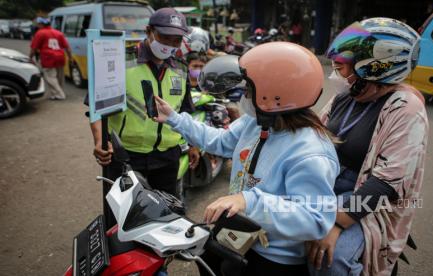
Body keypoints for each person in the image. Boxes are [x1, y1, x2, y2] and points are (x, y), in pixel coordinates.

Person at [152, 42, 339, 275]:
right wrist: (175, 119)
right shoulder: (257, 122)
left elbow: (315, 219)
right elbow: (221, 142)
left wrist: (249, 201)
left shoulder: (310, 152)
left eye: (249, 90)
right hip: (238, 235)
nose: (244, 96)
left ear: (276, 93)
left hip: (274, 258)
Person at [307, 18, 429, 275]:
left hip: (365, 202)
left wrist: (337, 225)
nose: (336, 75)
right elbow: (311, 135)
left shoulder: (406, 109)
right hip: (324, 186)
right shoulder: (347, 96)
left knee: (328, 259)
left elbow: (386, 183)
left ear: (373, 68)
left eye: (342, 68)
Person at [91, 8, 198, 200]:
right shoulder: (119, 61)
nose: (170, 45)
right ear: (149, 31)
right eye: (165, 37)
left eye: (177, 40)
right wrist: (100, 141)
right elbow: (96, 109)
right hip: (126, 157)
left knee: (166, 212)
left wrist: (193, 144)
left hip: (167, 157)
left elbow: (185, 111)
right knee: (123, 215)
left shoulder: (181, 68)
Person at [29, 17, 72, 100]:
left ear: (41, 24)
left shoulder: (40, 33)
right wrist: (70, 58)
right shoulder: (58, 33)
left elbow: (34, 48)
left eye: (38, 24)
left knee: (50, 77)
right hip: (60, 57)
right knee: (59, 77)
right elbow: (67, 47)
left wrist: (30, 57)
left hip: (48, 58)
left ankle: (60, 94)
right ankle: (56, 93)